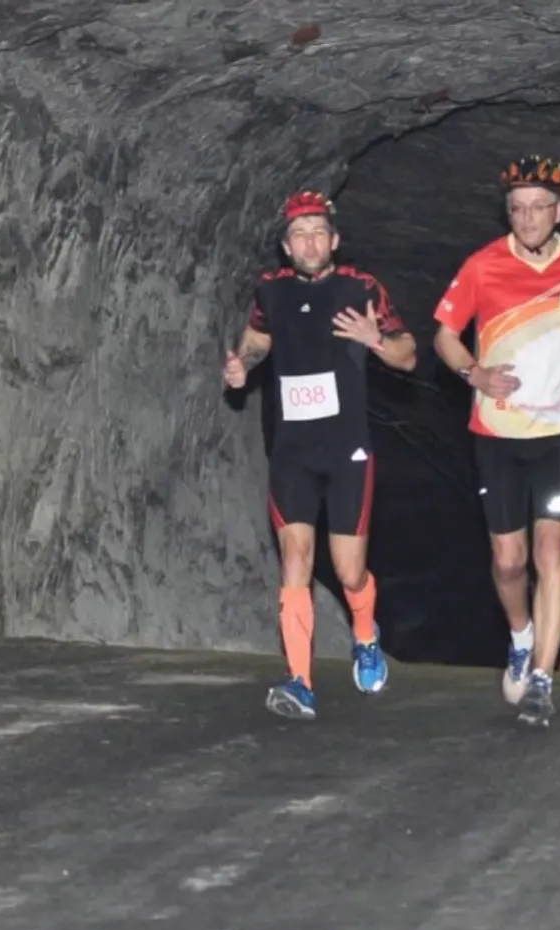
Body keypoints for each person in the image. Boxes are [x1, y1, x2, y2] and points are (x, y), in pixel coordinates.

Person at [433, 155, 560, 727]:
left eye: (538, 207)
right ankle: (521, 635)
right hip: (497, 432)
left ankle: (543, 677)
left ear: (559, 211)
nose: (527, 218)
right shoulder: (483, 266)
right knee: (508, 560)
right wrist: (474, 373)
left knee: (552, 552)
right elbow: (445, 335)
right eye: (517, 209)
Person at [224, 190, 417, 718]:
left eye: (317, 231)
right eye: (298, 234)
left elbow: (408, 357)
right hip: (292, 450)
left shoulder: (361, 287)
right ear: (287, 247)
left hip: (347, 448)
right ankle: (299, 682)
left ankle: (365, 634)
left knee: (350, 571)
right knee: (295, 561)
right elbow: (257, 340)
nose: (309, 241)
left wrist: (376, 339)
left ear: (334, 240)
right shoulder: (271, 292)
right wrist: (242, 365)